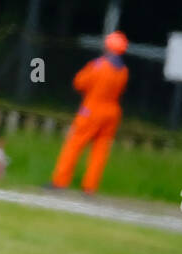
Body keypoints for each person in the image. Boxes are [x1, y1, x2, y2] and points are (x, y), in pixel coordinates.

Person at [50, 31, 129, 192]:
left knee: (74, 145)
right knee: (100, 151)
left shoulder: (100, 65)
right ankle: (90, 187)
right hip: (112, 112)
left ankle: (60, 182)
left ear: (108, 47)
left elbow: (79, 82)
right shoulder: (123, 71)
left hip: (92, 109)